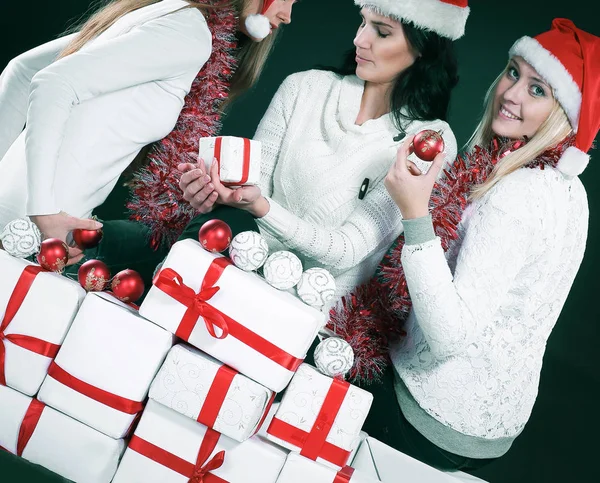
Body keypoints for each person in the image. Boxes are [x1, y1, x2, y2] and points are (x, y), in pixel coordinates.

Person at [331, 18, 598, 472]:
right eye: (514, 73)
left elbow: (448, 337)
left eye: (539, 91)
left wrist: (416, 214)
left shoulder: (515, 192)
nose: (512, 94)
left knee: (312, 381)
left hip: (430, 416)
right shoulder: (570, 188)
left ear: (564, 116)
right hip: (494, 429)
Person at [162, 0, 469, 300]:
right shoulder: (304, 88)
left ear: (423, 47)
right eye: (362, 22)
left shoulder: (429, 142)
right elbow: (251, 189)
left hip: (312, 326)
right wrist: (216, 193)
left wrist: (261, 207)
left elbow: (348, 249)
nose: (359, 39)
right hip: (232, 284)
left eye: (382, 32)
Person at [0, 0, 296, 264]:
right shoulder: (189, 32)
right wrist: (42, 210)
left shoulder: (172, 11)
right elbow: (53, 82)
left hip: (24, 210)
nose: (287, 15)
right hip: (37, 227)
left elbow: (21, 70)